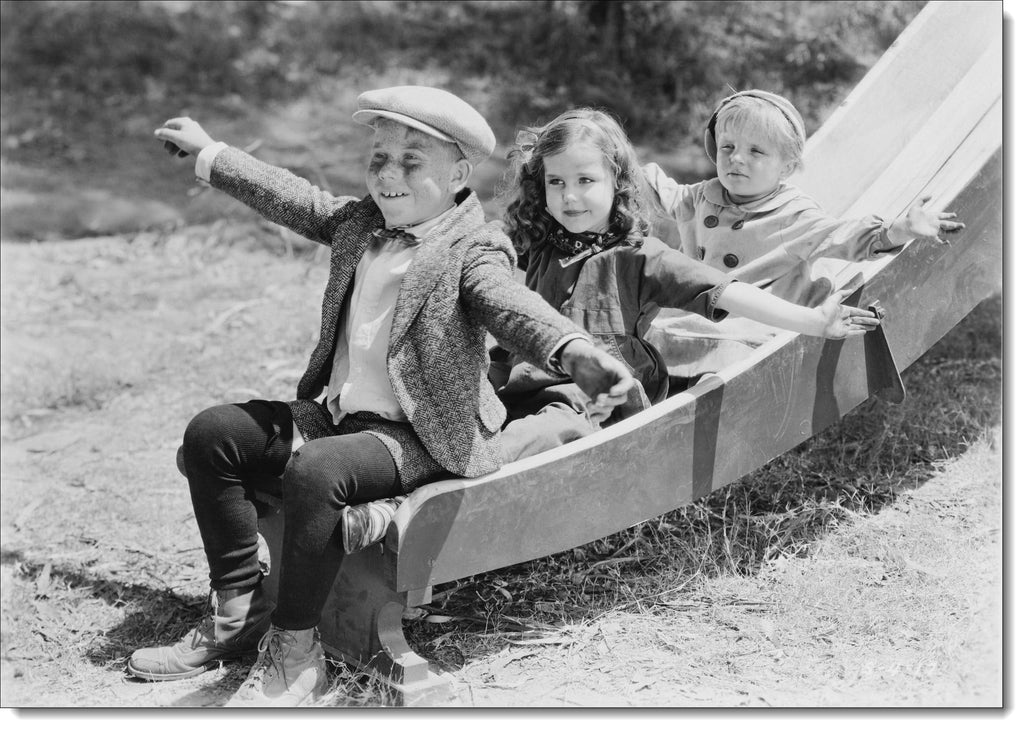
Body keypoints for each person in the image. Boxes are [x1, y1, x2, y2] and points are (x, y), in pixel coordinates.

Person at [129, 85, 634, 707]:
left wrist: (574, 350)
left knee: (317, 471)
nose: (389, 175)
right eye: (379, 159)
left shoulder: (474, 248)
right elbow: (291, 197)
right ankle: (238, 607)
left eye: (411, 162)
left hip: (422, 433)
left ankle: (296, 653)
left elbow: (510, 306)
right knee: (213, 434)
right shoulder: (360, 223)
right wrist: (212, 152)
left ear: (458, 175)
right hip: (340, 417)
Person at [339, 106, 883, 550]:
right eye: (556, 182)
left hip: (595, 398)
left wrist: (814, 321)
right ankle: (383, 479)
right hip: (516, 385)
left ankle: (409, 508)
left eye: (585, 181)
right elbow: (456, 258)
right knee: (454, 414)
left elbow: (727, 292)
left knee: (542, 433)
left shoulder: (642, 257)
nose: (570, 196)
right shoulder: (533, 244)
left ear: (617, 182)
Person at [642, 89, 965, 378]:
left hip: (753, 328)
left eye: (756, 151)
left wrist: (899, 230)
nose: (736, 158)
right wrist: (621, 165)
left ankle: (698, 395)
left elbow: (842, 235)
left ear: (786, 167)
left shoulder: (791, 214)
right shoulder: (703, 196)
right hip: (698, 316)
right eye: (727, 146)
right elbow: (661, 191)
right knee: (644, 336)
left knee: (716, 368)